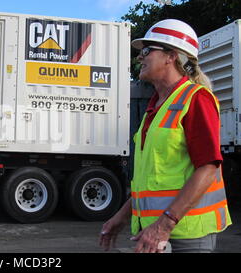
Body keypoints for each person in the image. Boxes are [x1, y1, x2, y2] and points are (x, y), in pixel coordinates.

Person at [99, 19, 231, 253]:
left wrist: (164, 225)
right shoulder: (156, 107)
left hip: (186, 235)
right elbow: (152, 182)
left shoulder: (196, 99)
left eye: (147, 51)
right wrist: (120, 217)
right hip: (155, 233)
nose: (140, 57)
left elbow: (208, 168)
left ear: (171, 56)